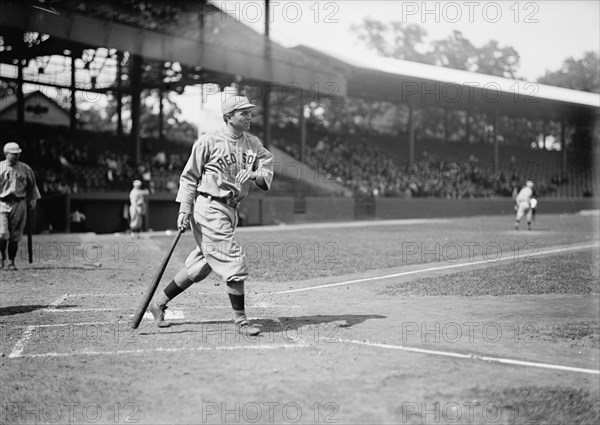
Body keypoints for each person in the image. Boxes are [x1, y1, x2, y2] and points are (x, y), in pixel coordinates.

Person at [148, 95, 274, 335]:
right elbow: (189, 177)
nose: (249, 116)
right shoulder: (208, 141)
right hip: (208, 205)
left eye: (249, 112)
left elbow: (266, 164)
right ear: (228, 117)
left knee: (201, 265)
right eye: (243, 112)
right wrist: (184, 208)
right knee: (232, 259)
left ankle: (159, 303)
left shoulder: (253, 143)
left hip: (231, 209)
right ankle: (241, 322)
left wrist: (255, 176)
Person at [0, 142, 41, 270]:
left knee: (15, 235)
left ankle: (11, 262)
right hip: (2, 202)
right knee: (2, 234)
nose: (16, 156)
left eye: (17, 154)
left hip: (19, 202)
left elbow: (32, 187)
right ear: (6, 154)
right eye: (13, 154)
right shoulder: (0, 167)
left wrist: (32, 201)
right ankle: (2, 258)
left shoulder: (25, 168)